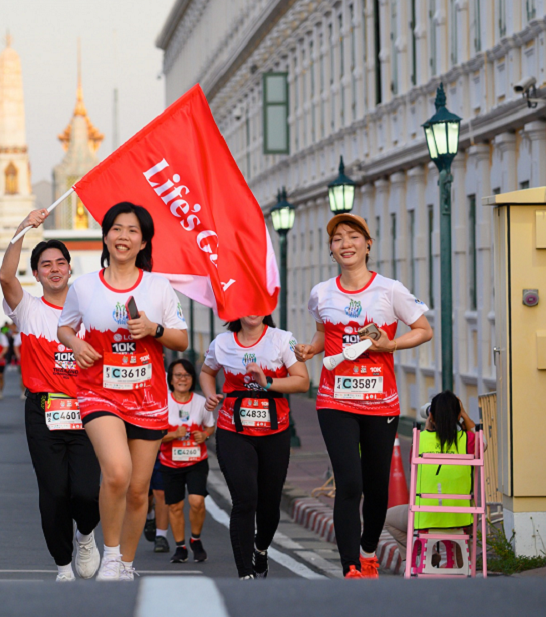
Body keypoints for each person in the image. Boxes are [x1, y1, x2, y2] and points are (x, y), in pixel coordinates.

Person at [295, 213, 433, 579]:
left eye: (353, 237)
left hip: (380, 401)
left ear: (368, 244)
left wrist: (392, 344)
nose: (346, 244)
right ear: (331, 249)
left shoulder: (390, 290)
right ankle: (350, 566)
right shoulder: (322, 292)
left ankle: (369, 549)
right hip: (334, 399)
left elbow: (423, 329)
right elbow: (324, 335)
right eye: (338, 238)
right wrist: (311, 350)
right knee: (350, 483)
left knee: (376, 488)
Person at [57, 201, 188, 581]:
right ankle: (110, 555)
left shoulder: (157, 287)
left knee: (138, 489)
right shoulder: (84, 286)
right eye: (116, 228)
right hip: (99, 391)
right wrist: (76, 344)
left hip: (146, 396)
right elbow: (65, 328)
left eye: (132, 230)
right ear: (105, 235)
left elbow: (179, 338)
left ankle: (126, 565)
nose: (123, 236)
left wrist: (154, 330)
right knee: (116, 472)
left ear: (144, 240)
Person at [0, 208, 102, 582]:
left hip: (89, 410)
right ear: (37, 273)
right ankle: (62, 563)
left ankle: (87, 534)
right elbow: (4, 276)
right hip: (44, 410)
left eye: (61, 262)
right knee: (55, 493)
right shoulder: (27, 309)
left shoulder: (90, 312)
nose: (55, 269)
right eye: (46, 264)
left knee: (88, 492)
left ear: (70, 268)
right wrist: (22, 227)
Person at [202, 315, 310, 579]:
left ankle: (260, 549)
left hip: (275, 431)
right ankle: (245, 574)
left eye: (258, 303)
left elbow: (302, 381)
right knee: (245, 499)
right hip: (233, 430)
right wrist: (210, 394)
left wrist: (268, 383)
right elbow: (207, 372)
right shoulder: (223, 342)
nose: (252, 310)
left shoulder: (282, 339)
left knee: (269, 505)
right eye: (246, 304)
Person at [384, 391, 477, 556]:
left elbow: (415, 468)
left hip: (425, 519)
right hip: (460, 519)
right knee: (462, 519)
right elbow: (481, 442)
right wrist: (463, 415)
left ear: (431, 416)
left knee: (387, 519)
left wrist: (427, 430)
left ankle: (422, 553)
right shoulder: (468, 440)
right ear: (458, 415)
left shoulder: (421, 440)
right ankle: (458, 558)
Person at [161, 359, 215, 563]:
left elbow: (210, 426)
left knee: (197, 501)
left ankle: (196, 539)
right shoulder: (162, 402)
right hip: (169, 463)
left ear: (192, 379)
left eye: (187, 375)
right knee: (175, 506)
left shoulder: (201, 402)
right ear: (171, 380)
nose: (182, 379)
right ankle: (180, 547)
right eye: (178, 375)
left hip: (196, 461)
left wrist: (205, 435)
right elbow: (155, 436)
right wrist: (173, 434)